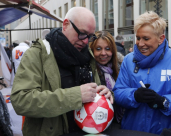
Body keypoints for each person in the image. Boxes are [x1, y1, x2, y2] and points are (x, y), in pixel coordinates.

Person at [10, 7, 113, 136]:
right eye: (81, 33)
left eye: (90, 36)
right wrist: (75, 96)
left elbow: (94, 94)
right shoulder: (37, 54)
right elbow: (21, 101)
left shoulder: (88, 55)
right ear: (65, 25)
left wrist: (104, 95)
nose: (86, 41)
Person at [113, 11, 171, 135]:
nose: (140, 44)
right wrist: (134, 95)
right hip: (132, 130)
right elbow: (117, 92)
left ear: (160, 38)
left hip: (165, 132)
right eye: (138, 38)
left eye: (146, 38)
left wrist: (164, 102)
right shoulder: (128, 60)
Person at [89, 31, 125, 124]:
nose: (103, 53)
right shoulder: (87, 71)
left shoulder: (121, 69)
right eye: (98, 49)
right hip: (94, 122)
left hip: (117, 123)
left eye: (108, 48)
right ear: (92, 50)